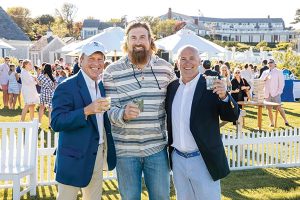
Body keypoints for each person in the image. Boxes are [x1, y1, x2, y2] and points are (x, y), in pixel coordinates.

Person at [103, 21, 176, 200]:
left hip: (156, 149)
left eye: (142, 37)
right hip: (125, 151)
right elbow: (108, 111)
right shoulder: (112, 71)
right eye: (133, 37)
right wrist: (123, 114)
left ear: (150, 40)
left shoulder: (165, 69)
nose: (138, 41)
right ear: (126, 42)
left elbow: (178, 101)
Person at [165, 45, 239, 200]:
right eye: (183, 59)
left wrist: (225, 96)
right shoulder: (172, 87)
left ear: (199, 61)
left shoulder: (211, 84)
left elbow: (232, 116)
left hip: (203, 159)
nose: (187, 62)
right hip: (177, 160)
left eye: (192, 58)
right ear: (177, 63)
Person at [51, 41, 116, 200]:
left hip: (97, 154)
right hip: (73, 157)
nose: (96, 63)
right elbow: (56, 122)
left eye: (100, 59)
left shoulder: (100, 86)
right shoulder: (66, 86)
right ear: (81, 61)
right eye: (91, 59)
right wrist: (87, 110)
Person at [260, 59, 290, 127]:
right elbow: (260, 81)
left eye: (271, 62)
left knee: (279, 108)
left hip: (276, 93)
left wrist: (279, 92)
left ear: (274, 63)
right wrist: (265, 79)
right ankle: (272, 123)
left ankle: (285, 120)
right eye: (269, 63)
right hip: (267, 94)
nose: (270, 64)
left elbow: (282, 83)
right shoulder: (265, 72)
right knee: (269, 109)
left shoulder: (279, 72)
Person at [38, 63, 56, 128]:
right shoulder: (52, 77)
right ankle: (50, 124)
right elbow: (54, 86)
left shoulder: (41, 76)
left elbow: (39, 84)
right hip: (50, 93)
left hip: (43, 93)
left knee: (41, 108)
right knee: (50, 109)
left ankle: (39, 122)